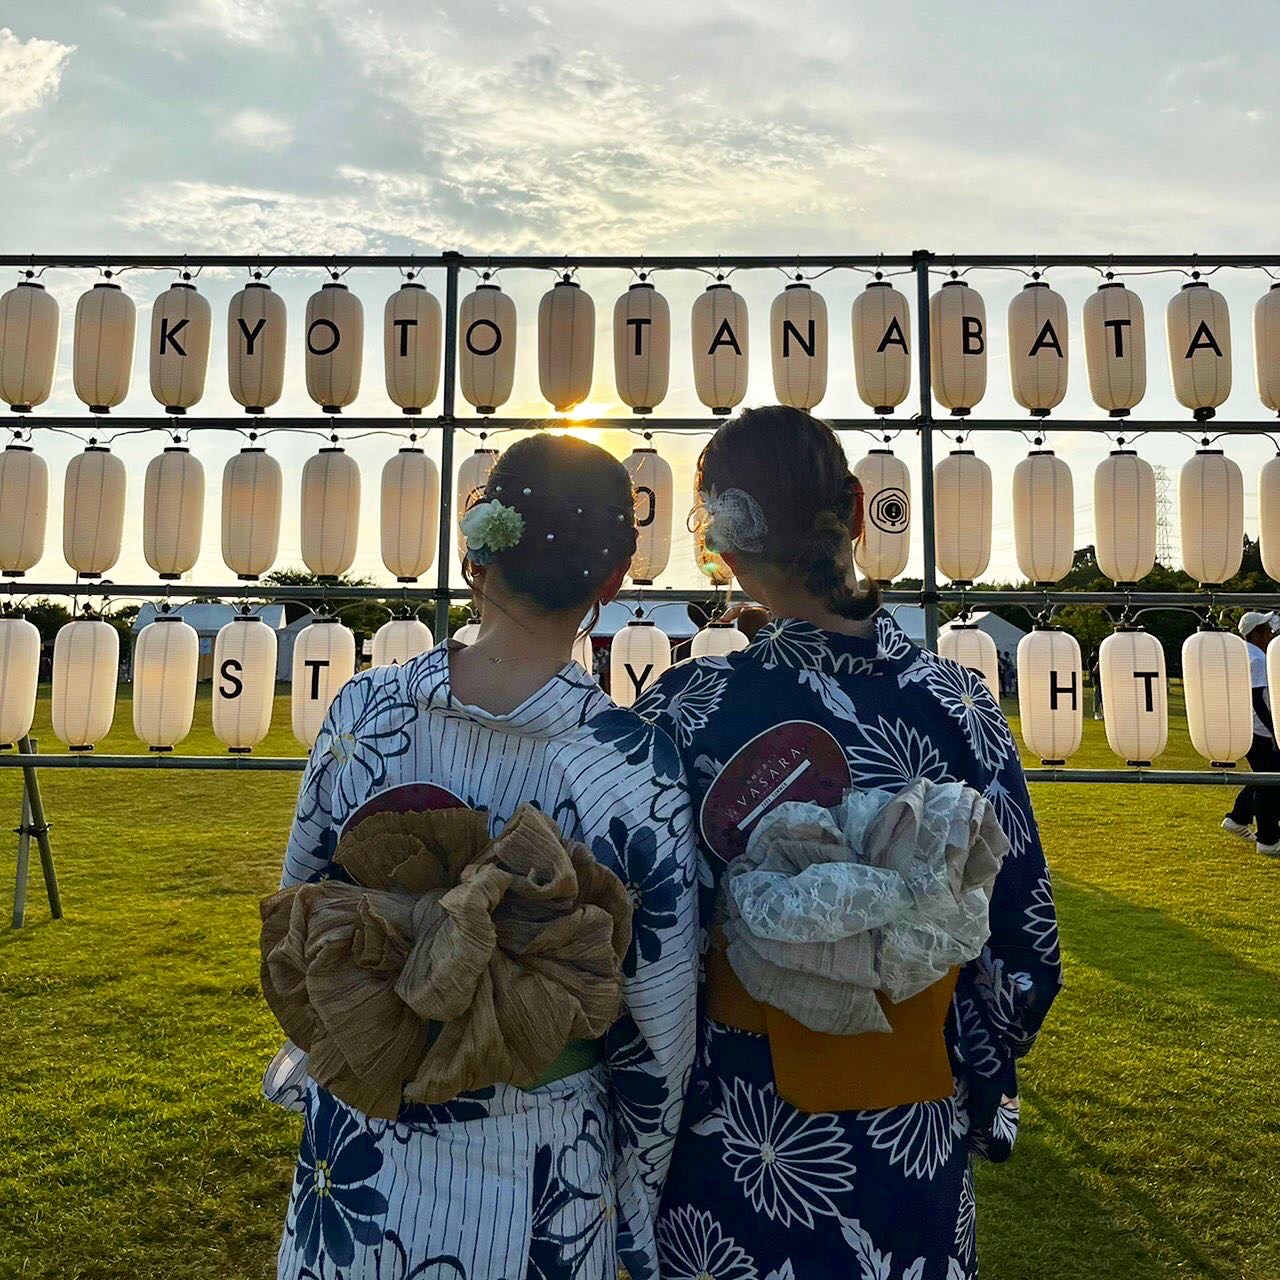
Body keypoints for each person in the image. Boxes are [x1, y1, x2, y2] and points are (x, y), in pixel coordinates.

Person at [635, 406, 1062, 1280]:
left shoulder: (686, 713)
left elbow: (641, 951)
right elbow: (1026, 958)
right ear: (859, 510)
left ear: (725, 549)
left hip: (734, 1144)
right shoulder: (957, 705)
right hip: (909, 1144)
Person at [267, 434, 699, 1280]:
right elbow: (659, 1027)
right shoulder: (627, 766)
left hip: (362, 1134)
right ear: (611, 584)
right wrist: (638, 1205)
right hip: (539, 1168)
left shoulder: (365, 711)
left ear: (477, 553)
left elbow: (301, 914)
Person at [1222, 610, 1280, 857]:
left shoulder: (1244, 654)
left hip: (1248, 727)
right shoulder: (1257, 658)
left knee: (1265, 777)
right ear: (1255, 634)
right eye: (1266, 630)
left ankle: (1238, 817)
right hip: (1259, 729)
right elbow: (1258, 699)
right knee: (1269, 783)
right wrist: (1275, 731)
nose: (1271, 633)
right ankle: (1267, 839)